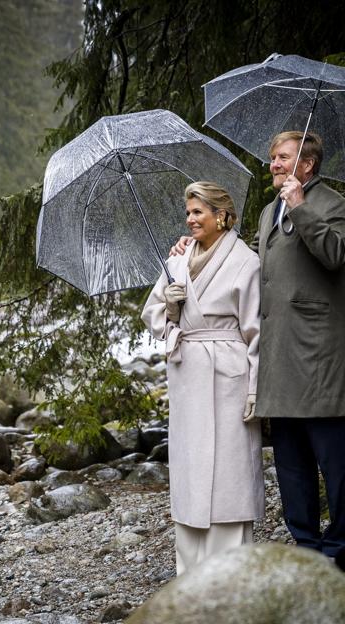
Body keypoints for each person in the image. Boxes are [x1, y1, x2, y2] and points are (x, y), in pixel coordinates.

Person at [171, 131, 345, 561]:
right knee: (291, 468)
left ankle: (339, 552)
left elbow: (336, 254)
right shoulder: (270, 211)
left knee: (337, 468)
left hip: (320, 358)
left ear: (306, 164)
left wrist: (302, 207)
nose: (272, 164)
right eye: (271, 158)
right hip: (276, 362)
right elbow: (250, 264)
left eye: (282, 157)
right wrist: (196, 247)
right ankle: (306, 550)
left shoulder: (333, 204)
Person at [142, 181, 264, 575]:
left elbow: (255, 329)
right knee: (192, 467)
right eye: (188, 212)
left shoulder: (245, 261)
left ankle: (230, 571)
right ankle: (190, 573)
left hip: (229, 369)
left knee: (230, 470)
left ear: (221, 216)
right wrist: (172, 310)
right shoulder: (175, 262)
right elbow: (153, 318)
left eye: (198, 212)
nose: (190, 219)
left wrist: (254, 387)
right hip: (188, 370)